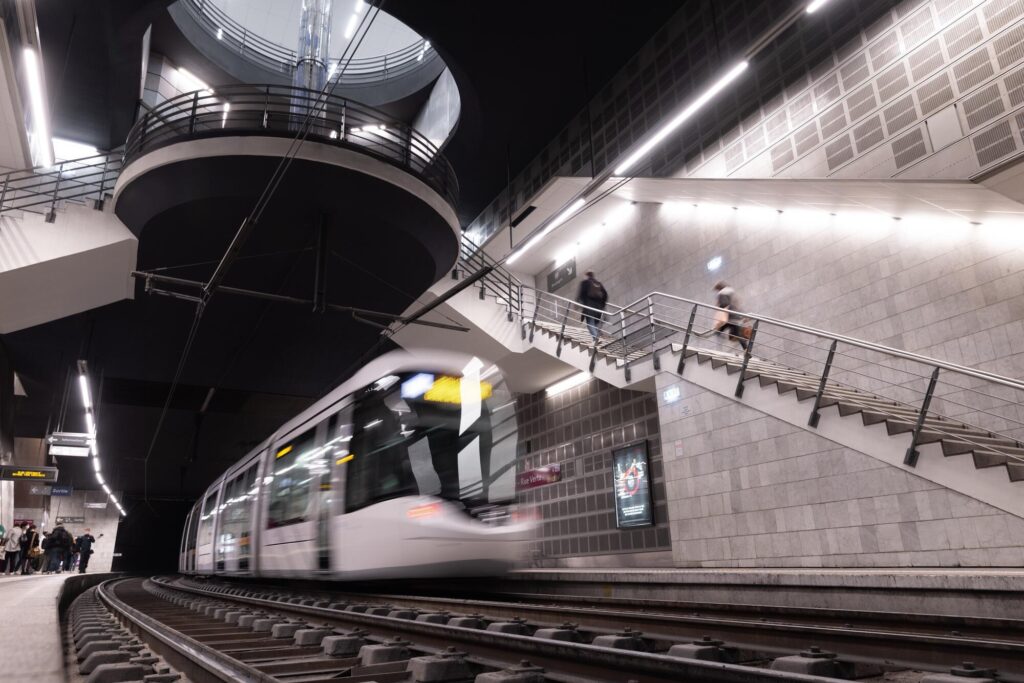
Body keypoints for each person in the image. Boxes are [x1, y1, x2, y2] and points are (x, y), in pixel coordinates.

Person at [712, 281, 749, 351]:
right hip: (736, 316)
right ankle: (746, 349)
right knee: (738, 333)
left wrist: (718, 305)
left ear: (719, 288)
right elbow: (738, 305)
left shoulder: (722, 293)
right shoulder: (732, 293)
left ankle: (719, 350)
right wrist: (744, 315)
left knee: (717, 331)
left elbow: (724, 304)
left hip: (728, 317)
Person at [576, 271, 609, 340]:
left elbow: (581, 295)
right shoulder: (598, 283)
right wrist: (602, 304)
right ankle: (599, 338)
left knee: (590, 324)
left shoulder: (585, 283)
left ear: (587, 276)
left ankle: (596, 339)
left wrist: (578, 304)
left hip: (589, 307)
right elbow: (605, 295)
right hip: (598, 308)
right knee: (596, 324)